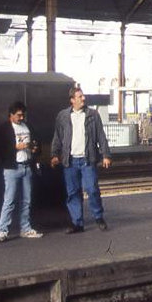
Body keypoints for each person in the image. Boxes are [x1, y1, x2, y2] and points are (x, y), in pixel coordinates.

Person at [51, 87, 112, 233]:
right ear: (72, 100)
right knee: (73, 192)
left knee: (92, 189)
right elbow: (58, 137)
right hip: (70, 161)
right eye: (79, 96)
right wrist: (54, 154)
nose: (83, 98)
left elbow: (101, 136)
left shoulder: (92, 115)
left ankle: (98, 217)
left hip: (87, 159)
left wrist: (106, 155)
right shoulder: (63, 116)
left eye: (83, 96)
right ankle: (77, 223)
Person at [0, 101, 42, 242]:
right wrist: (16, 147)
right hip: (12, 168)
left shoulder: (28, 126)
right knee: (9, 200)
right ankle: (3, 230)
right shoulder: (4, 129)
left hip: (27, 165)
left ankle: (25, 228)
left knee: (26, 200)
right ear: (11, 115)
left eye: (22, 115)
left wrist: (35, 150)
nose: (21, 118)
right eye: (18, 115)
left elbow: (37, 143)